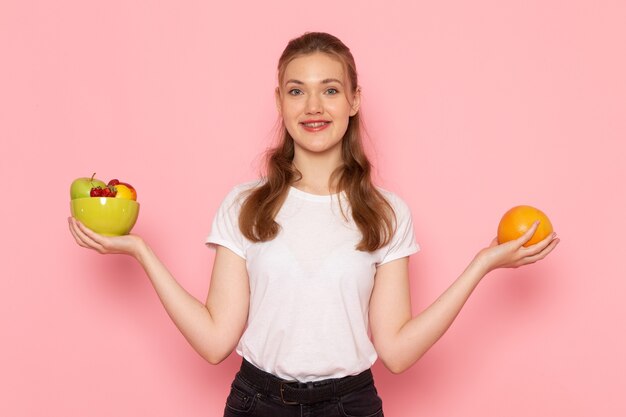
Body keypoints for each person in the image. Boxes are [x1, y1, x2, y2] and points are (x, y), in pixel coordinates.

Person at [68, 32, 559, 417]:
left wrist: (483, 263)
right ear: (280, 102)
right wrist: (140, 251)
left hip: (351, 406)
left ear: (354, 99)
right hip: (255, 404)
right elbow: (216, 341)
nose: (314, 106)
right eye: (297, 91)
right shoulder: (244, 204)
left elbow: (397, 352)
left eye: (330, 90)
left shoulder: (387, 213)